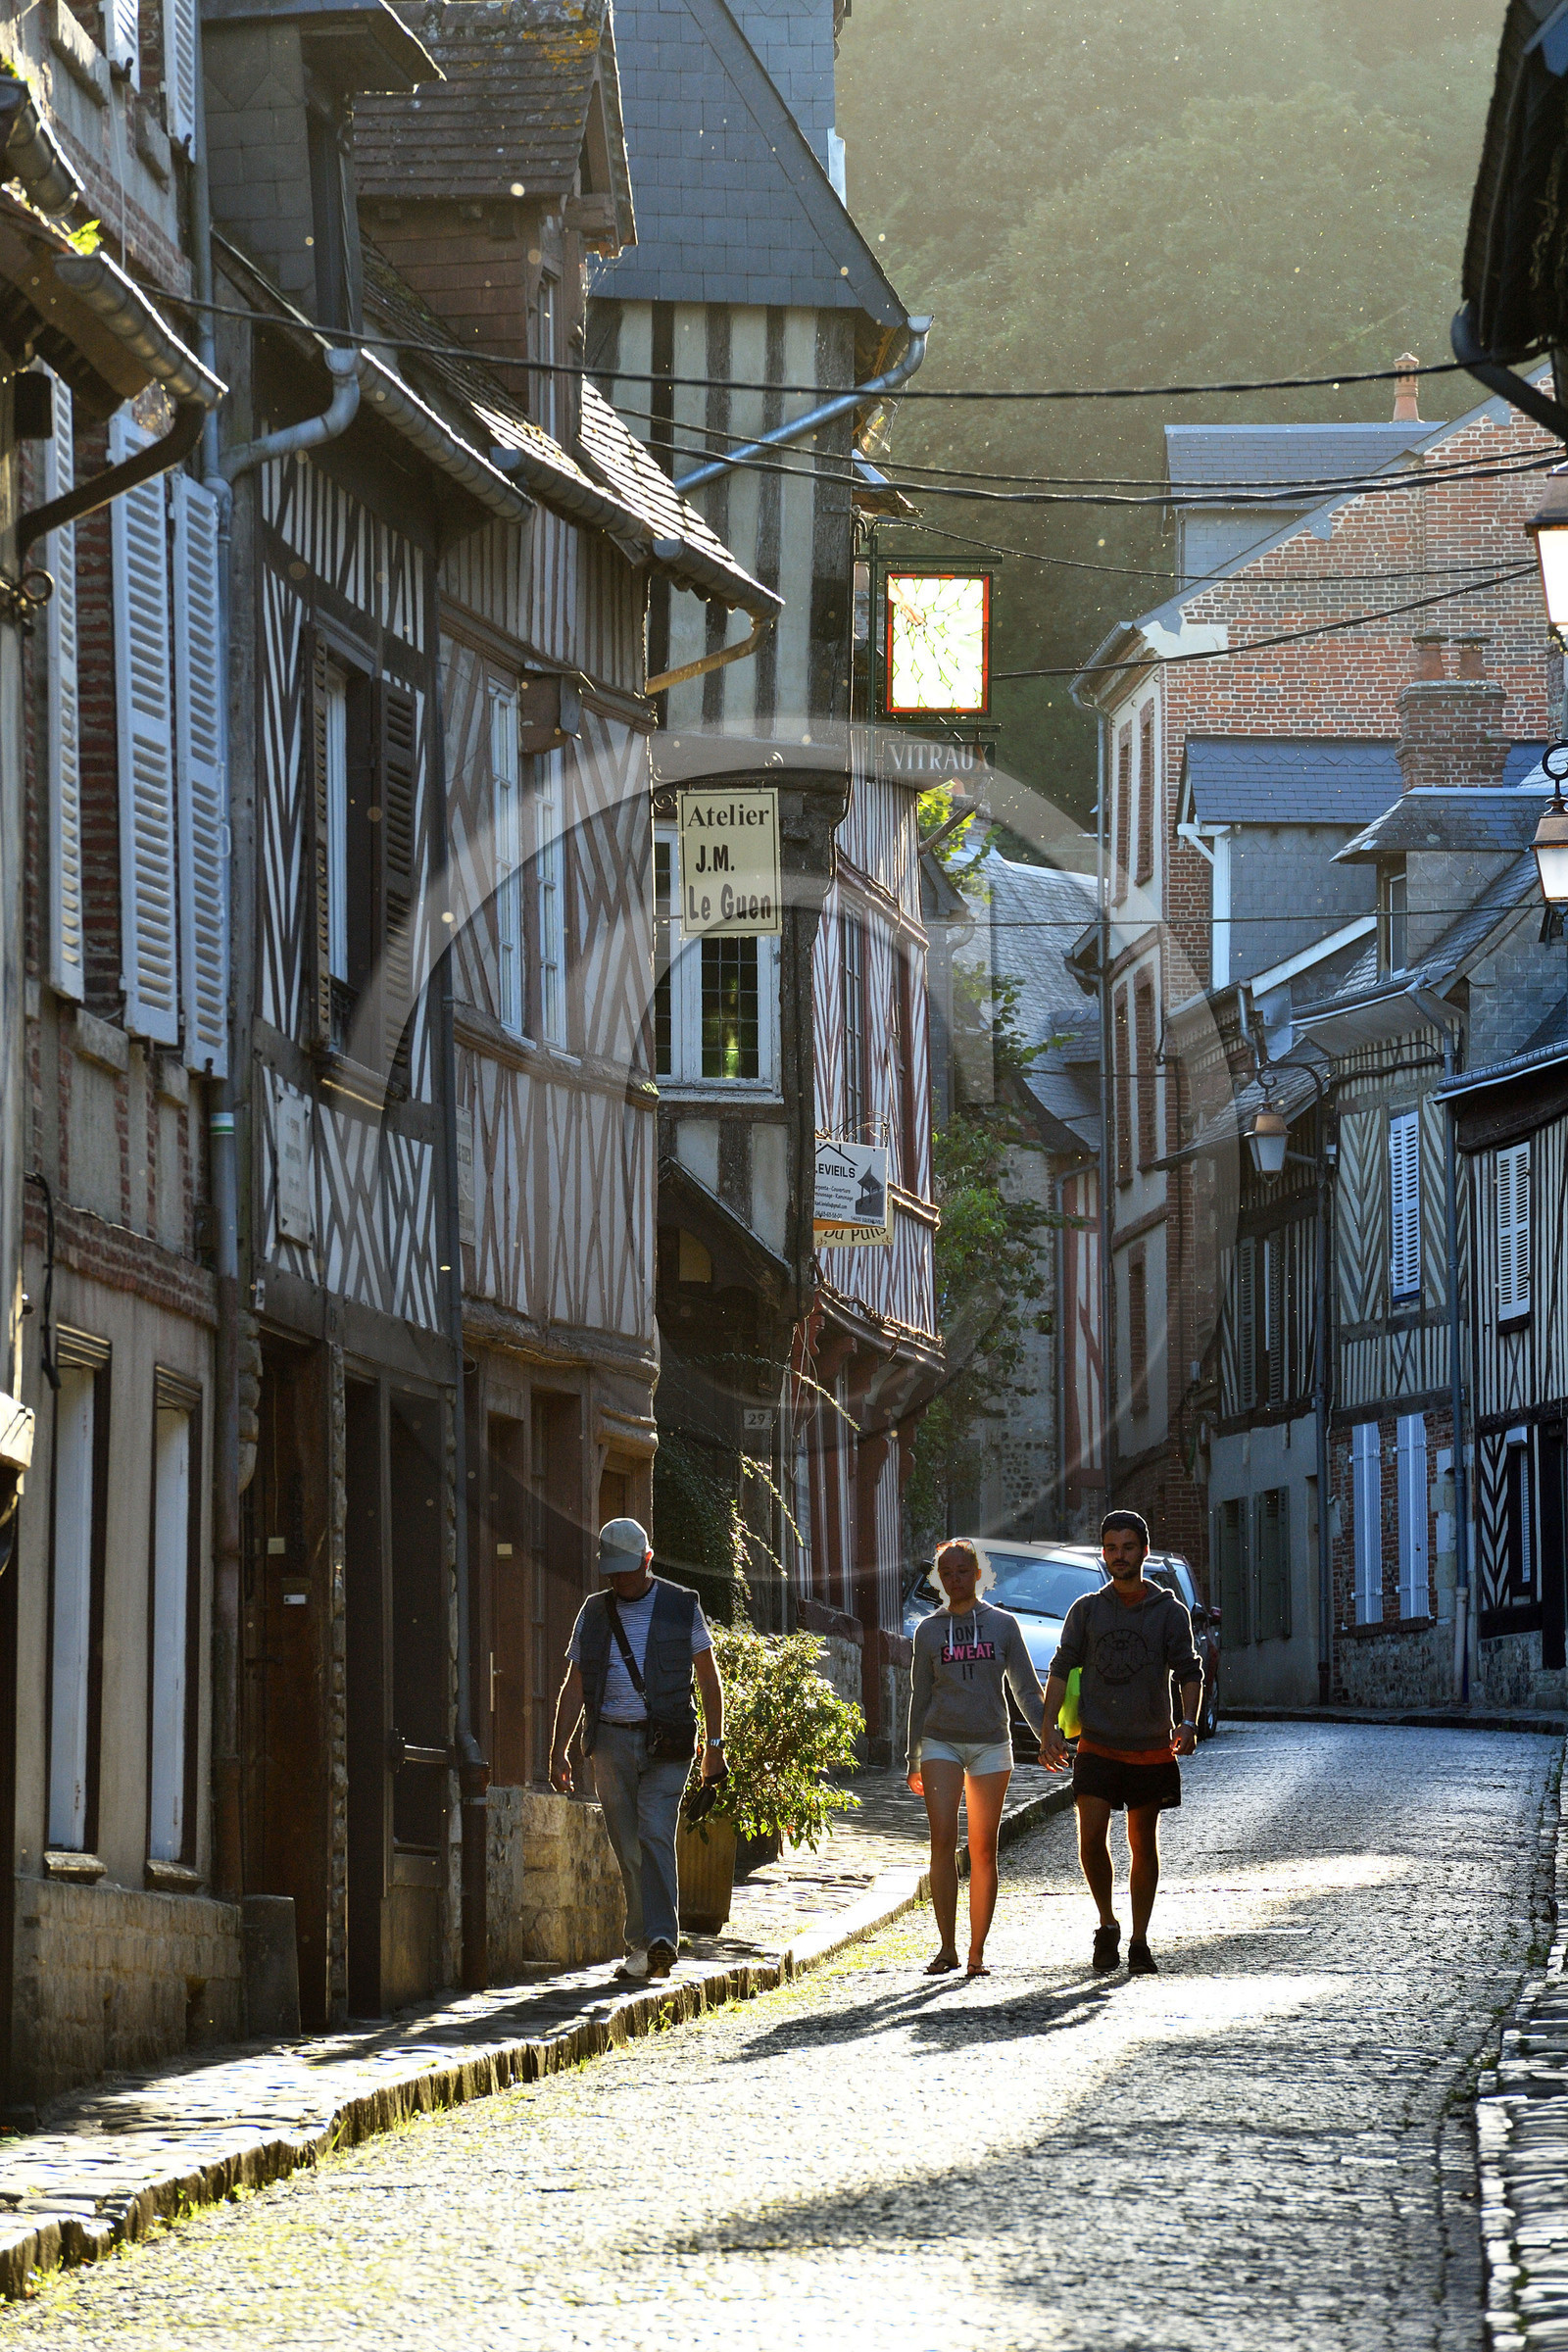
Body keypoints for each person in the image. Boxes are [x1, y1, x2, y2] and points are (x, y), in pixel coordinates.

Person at [549, 1518, 726, 1983]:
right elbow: (575, 1684)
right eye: (613, 1573)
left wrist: (714, 1746)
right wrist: (558, 1750)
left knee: (653, 1834)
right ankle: (640, 1947)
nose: (620, 1580)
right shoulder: (592, 1612)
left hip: (668, 1742)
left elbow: (708, 1679)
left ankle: (662, 1939)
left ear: (648, 1560)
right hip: (608, 1742)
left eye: (628, 1570)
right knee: (627, 1847)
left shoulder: (680, 1605)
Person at [1038, 1508, 1202, 1977]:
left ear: (1144, 1551)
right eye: (1111, 1548)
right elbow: (1061, 1667)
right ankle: (1107, 1923)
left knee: (1141, 1841)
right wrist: (1048, 1729)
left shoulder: (1170, 1613)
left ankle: (1139, 1939)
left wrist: (1188, 1723)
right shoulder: (1086, 1610)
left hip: (1149, 1744)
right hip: (1096, 1743)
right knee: (1090, 1837)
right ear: (1104, 1553)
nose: (1119, 1556)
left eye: (1128, 1547)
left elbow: (1191, 1672)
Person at [906, 1538, 1047, 1978]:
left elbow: (1026, 1689)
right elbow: (919, 1697)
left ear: (979, 1574)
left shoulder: (1004, 1625)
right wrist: (913, 1758)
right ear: (939, 1579)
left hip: (990, 1744)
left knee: (984, 1848)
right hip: (940, 1742)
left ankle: (976, 1952)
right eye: (946, 1573)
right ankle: (946, 1947)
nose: (954, 1579)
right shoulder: (928, 1631)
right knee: (943, 1841)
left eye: (963, 1571)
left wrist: (1048, 1736)